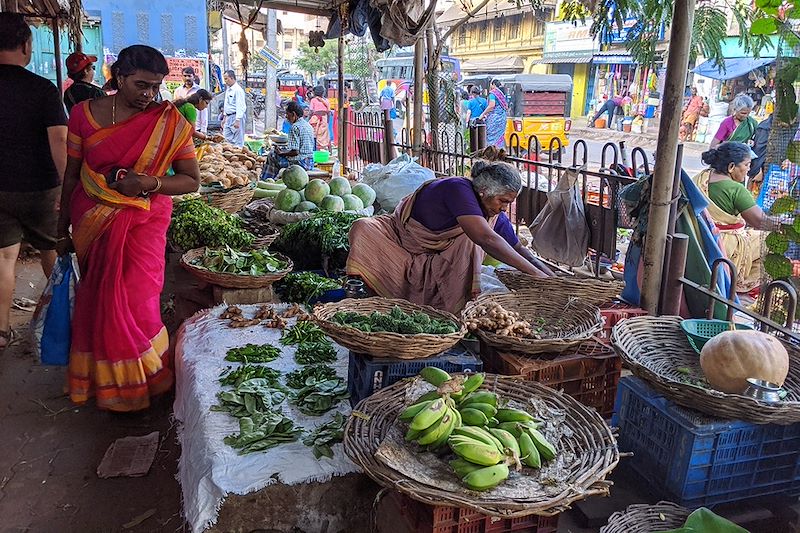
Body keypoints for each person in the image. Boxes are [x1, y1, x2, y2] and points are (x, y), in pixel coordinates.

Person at [56, 44, 200, 412]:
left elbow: (190, 181)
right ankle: (110, 387)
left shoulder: (169, 122)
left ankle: (148, 382)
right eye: (141, 85)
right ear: (119, 77)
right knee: (99, 299)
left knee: (138, 301)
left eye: (155, 86)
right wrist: (61, 229)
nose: (149, 94)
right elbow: (72, 174)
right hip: (92, 220)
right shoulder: (82, 115)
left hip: (144, 221)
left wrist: (147, 183)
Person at [347, 155, 554, 313]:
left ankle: (449, 308)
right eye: (503, 201)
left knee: (469, 241)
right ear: (484, 191)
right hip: (400, 241)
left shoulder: (492, 213)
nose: (504, 209)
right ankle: (373, 298)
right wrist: (535, 274)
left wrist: (551, 277)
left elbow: (518, 248)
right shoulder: (458, 188)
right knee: (362, 228)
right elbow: (485, 239)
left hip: (435, 257)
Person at [0, 13, 67, 349]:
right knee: (51, 252)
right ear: (26, 45)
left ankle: (1, 331)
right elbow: (59, 141)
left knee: (3, 258)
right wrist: (69, 188)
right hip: (40, 187)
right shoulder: (41, 89)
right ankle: (63, 319)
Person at [693, 142, 778, 293]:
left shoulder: (701, 178)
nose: (749, 170)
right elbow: (760, 222)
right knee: (771, 242)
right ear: (731, 167)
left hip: (699, 238)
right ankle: (740, 287)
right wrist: (782, 223)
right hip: (723, 247)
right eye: (747, 165)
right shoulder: (736, 190)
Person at [261, 101, 315, 180]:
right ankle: (274, 179)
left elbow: (295, 152)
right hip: (309, 162)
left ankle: (266, 180)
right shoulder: (308, 125)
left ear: (293, 114)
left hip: (300, 163)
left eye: (287, 114)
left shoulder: (295, 127)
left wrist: (281, 153)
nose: (286, 117)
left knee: (272, 155)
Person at [174, 66, 208, 135]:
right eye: (185, 76)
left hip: (197, 127)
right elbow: (175, 109)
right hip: (182, 127)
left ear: (194, 77)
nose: (187, 78)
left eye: (189, 76)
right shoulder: (178, 91)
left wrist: (203, 129)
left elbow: (204, 112)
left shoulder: (199, 90)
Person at [478, 79, 509, 149]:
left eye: (491, 85)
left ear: (493, 84)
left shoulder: (493, 93)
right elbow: (506, 107)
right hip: (502, 119)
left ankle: (492, 152)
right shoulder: (503, 94)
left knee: (491, 136)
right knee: (500, 136)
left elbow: (492, 105)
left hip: (494, 119)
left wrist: (483, 114)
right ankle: (499, 151)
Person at [221, 69, 247, 147]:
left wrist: (238, 119)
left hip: (236, 116)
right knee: (226, 139)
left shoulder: (238, 90)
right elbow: (227, 104)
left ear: (232, 78)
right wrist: (224, 117)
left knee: (238, 141)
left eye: (226, 79)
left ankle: (239, 156)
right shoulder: (228, 90)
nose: (225, 81)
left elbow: (240, 105)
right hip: (228, 117)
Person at [308, 85, 331, 152]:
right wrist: (327, 121)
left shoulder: (313, 100)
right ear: (323, 92)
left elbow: (311, 111)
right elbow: (328, 112)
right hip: (324, 119)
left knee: (315, 135)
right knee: (325, 135)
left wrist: (309, 119)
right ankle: (329, 151)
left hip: (315, 119)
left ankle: (315, 151)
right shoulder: (326, 100)